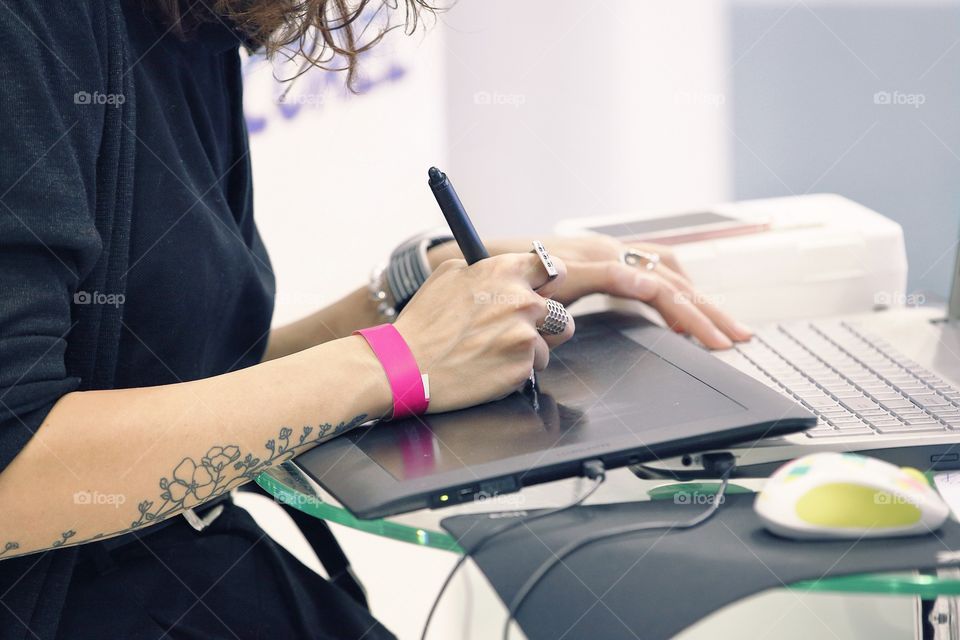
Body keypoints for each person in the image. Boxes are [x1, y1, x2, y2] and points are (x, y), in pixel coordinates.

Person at [0, 1, 751, 638]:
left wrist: (413, 296)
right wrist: (399, 361)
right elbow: (15, 474)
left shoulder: (190, 22)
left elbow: (171, 384)